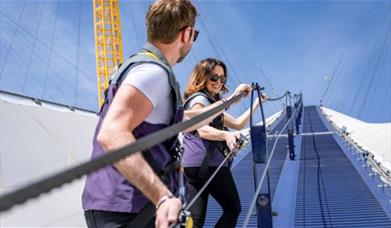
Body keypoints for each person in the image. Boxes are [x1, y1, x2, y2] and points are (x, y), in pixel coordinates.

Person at [82, 1, 252, 228]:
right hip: (127, 209)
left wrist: (231, 100)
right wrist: (162, 196)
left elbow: (187, 118)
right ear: (187, 34)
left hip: (121, 205)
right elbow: (112, 134)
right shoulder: (153, 73)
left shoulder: (143, 69)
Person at [182, 58, 267, 228]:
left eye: (222, 79)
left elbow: (237, 123)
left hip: (191, 166)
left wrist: (257, 103)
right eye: (214, 77)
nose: (219, 82)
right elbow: (201, 128)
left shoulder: (212, 105)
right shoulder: (200, 100)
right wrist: (225, 136)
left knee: (195, 220)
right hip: (209, 164)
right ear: (203, 76)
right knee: (232, 208)